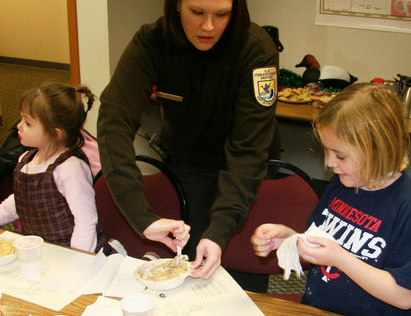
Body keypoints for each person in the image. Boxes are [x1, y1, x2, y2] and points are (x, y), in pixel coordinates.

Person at [96, 0, 279, 279]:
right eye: (197, 12)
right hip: (188, 162)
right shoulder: (152, 41)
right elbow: (114, 122)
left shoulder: (256, 48)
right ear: (177, 5)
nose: (209, 26)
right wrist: (140, 216)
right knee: (192, 264)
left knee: (245, 270)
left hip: (247, 167)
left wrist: (219, 231)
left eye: (222, 15)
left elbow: (248, 151)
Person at [251, 83, 411, 316]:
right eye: (327, 151)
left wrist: (341, 259)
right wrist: (290, 240)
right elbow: (320, 248)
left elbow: (405, 296)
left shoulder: (408, 205)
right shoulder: (341, 184)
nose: (329, 163)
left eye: (340, 156)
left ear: (377, 150)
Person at [0, 84, 100, 252]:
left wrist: (78, 259)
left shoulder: (70, 169)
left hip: (68, 252)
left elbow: (85, 221)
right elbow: (21, 200)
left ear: (56, 133)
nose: (19, 126)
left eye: (27, 123)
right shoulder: (26, 160)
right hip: (38, 251)